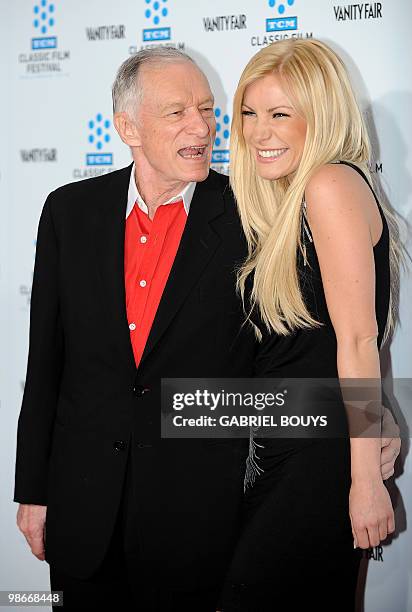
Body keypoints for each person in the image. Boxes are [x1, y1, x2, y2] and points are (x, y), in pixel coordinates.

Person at [13, 47, 399, 612]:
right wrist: (34, 490)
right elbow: (45, 362)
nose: (203, 127)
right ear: (126, 126)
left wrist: (367, 429)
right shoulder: (69, 211)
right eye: (177, 113)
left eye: (208, 109)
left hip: (200, 520)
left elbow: (315, 350)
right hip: (83, 507)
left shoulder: (255, 211)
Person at [219, 39, 403, 611]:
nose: (259, 133)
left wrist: (366, 483)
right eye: (249, 113)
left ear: (318, 117)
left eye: (280, 115)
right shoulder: (279, 197)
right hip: (279, 444)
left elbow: (355, 340)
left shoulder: (328, 184)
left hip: (319, 456)